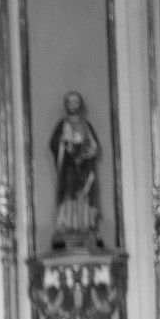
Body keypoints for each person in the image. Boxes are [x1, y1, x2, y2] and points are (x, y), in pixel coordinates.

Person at [49, 90, 102, 249]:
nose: (73, 105)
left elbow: (94, 145)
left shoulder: (86, 125)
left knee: (84, 195)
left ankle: (85, 223)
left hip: (84, 166)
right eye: (70, 102)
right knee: (68, 194)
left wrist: (89, 152)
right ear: (67, 105)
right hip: (69, 167)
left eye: (76, 102)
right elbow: (54, 143)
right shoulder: (62, 124)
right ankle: (67, 225)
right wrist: (63, 144)